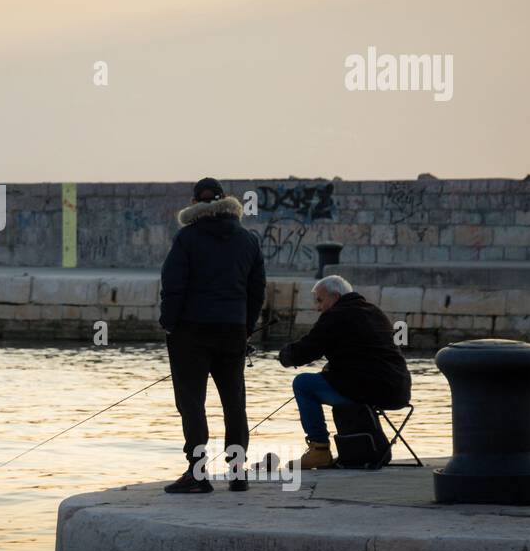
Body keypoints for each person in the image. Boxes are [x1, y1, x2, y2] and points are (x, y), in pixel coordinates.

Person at [159, 178, 266, 494]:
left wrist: (169, 323)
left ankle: (197, 474)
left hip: (190, 332)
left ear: (194, 203)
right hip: (233, 332)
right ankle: (237, 472)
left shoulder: (187, 238)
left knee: (192, 404)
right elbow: (257, 289)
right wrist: (246, 326)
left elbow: (173, 285)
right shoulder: (247, 240)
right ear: (225, 202)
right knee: (234, 403)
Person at [278, 275, 411, 469]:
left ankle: (319, 449)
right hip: (399, 391)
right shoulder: (374, 312)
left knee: (303, 384)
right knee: (329, 377)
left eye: (320, 300)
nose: (318, 307)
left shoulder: (336, 316)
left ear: (335, 297)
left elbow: (306, 350)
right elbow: (362, 354)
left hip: (369, 391)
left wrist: (284, 356)